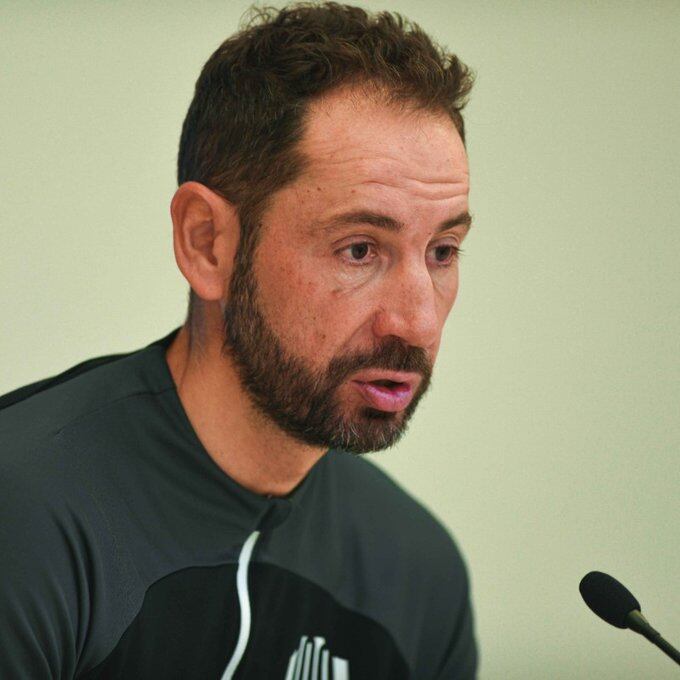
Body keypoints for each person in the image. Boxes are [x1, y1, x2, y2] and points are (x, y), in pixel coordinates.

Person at [0, 2, 477, 678]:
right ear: (207, 243)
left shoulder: (418, 574)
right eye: (360, 248)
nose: (418, 322)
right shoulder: (25, 514)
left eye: (443, 250)